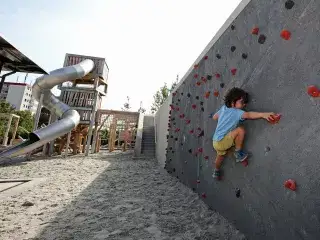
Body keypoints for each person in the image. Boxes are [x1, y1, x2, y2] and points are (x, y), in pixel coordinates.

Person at [210, 87, 277, 180]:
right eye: (242, 102)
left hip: (215, 141)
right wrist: (263, 114)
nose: (244, 105)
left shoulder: (224, 108)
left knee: (220, 156)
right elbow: (249, 115)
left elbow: (214, 117)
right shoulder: (238, 112)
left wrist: (223, 118)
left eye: (245, 103)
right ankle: (238, 153)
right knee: (240, 130)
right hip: (222, 140)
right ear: (233, 102)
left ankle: (216, 171)